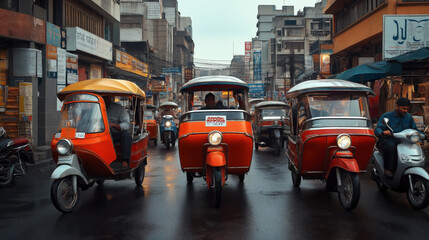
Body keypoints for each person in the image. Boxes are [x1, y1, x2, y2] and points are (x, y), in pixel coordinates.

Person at [374, 97, 422, 178]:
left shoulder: (409, 117)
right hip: (388, 140)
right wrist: (382, 132)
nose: (405, 111)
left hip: (404, 142)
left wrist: (423, 134)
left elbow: (414, 129)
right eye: (403, 108)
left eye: (407, 109)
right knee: (391, 146)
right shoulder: (387, 116)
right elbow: (378, 129)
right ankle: (388, 169)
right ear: (397, 107)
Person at [103, 96, 132, 168]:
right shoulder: (95, 108)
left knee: (126, 135)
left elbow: (126, 124)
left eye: (104, 97)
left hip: (115, 133)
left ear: (109, 98)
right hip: (100, 133)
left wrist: (113, 125)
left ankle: (125, 160)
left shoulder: (119, 109)